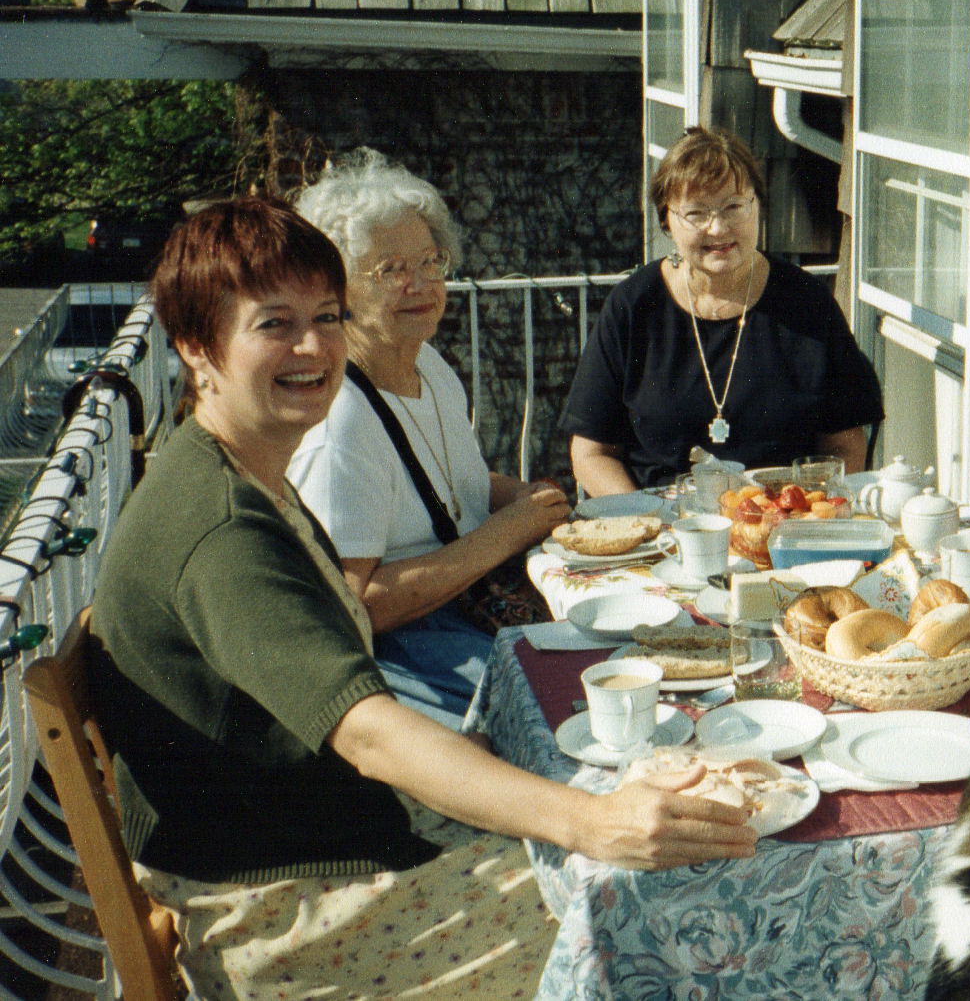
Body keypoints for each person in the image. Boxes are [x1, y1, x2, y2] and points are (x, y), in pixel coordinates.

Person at [86, 197, 757, 1001]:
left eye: (328, 317)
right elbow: (371, 737)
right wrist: (593, 824)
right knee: (665, 916)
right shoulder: (223, 529)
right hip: (281, 906)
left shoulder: (234, 466)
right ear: (198, 348)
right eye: (275, 325)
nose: (314, 347)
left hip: (325, 825)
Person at [288, 149, 569, 729]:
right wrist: (506, 532)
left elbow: (444, 487)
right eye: (389, 270)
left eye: (430, 261)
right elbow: (353, 605)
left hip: (470, 605)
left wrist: (522, 496)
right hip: (416, 651)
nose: (419, 285)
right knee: (569, 706)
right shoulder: (341, 422)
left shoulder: (430, 365)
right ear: (336, 289)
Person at [561, 127, 883, 494]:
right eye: (696, 213)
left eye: (733, 206)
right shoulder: (633, 307)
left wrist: (804, 516)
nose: (718, 227)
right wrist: (647, 521)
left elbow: (844, 445)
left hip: (781, 526)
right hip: (666, 529)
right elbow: (590, 453)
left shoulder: (808, 303)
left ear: (758, 205)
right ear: (666, 221)